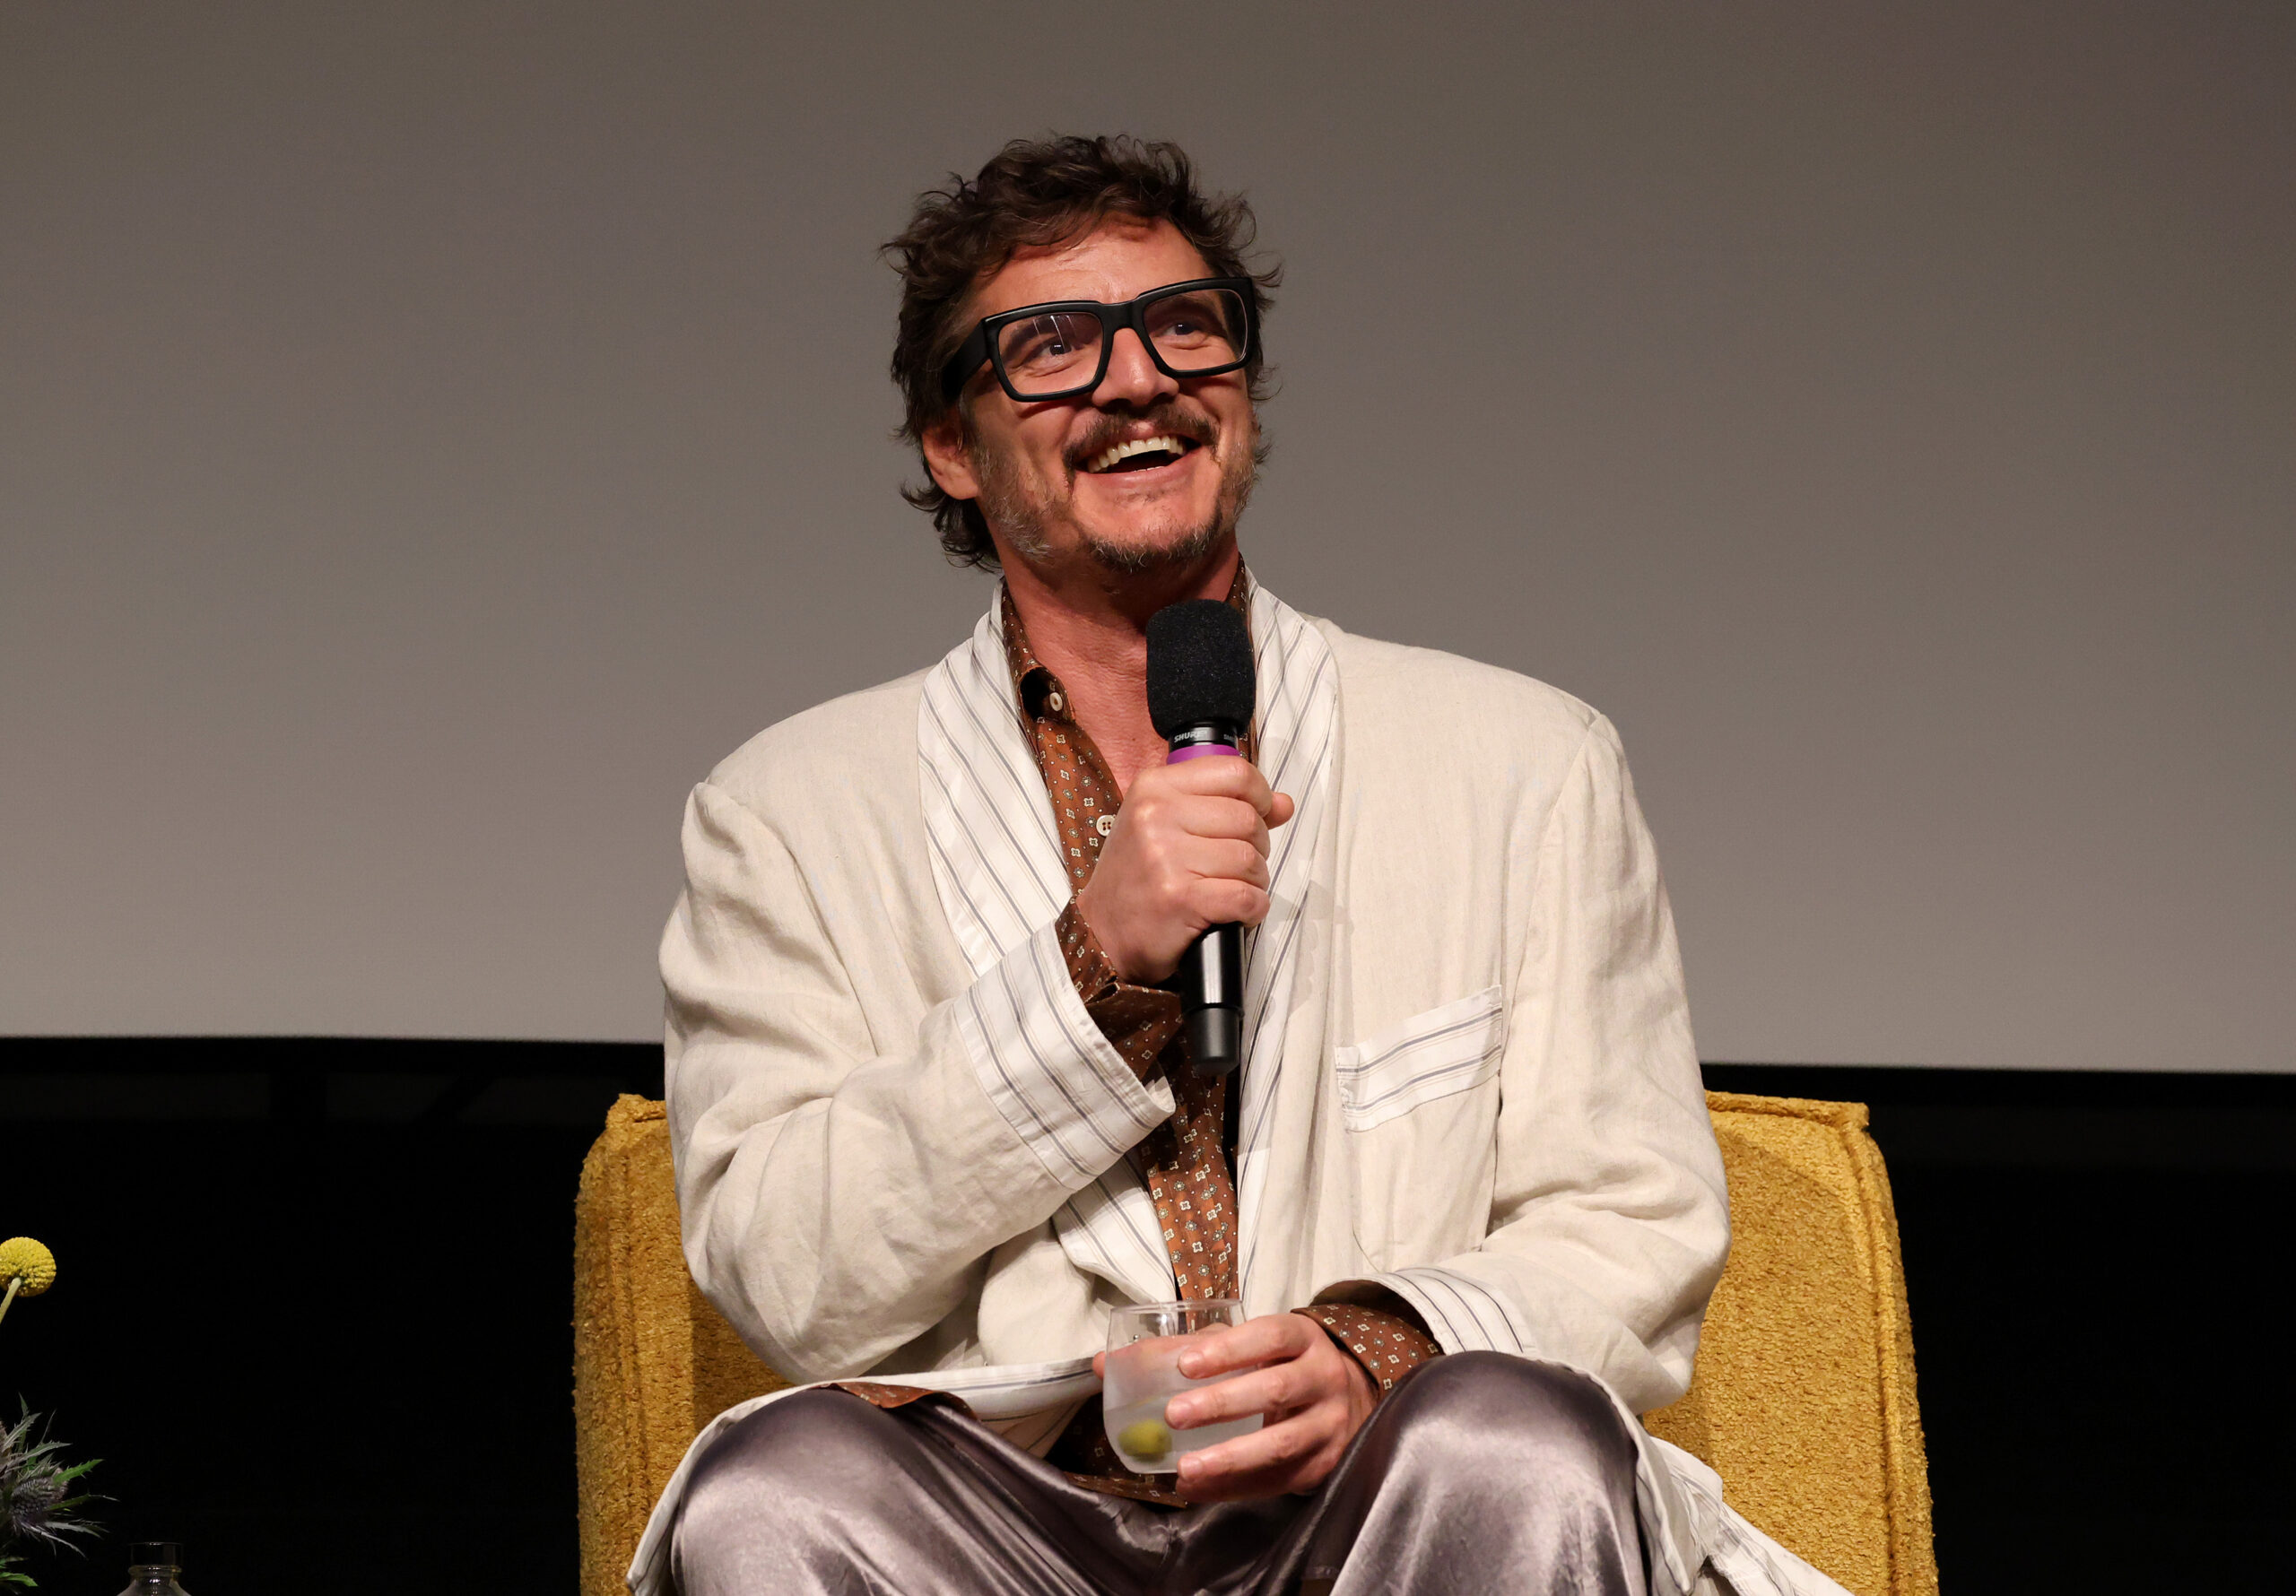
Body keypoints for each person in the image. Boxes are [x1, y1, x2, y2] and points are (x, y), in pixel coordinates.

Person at [639, 135, 1846, 1596]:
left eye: (1184, 327)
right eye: (1053, 348)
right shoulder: (783, 813)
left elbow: (1632, 1217)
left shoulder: (1527, 762)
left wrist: (1375, 1347)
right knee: (771, 1492)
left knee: (1514, 1444)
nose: (1137, 380)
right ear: (953, 446)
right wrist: (1087, 973)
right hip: (1011, 1520)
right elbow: (786, 1270)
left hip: (1389, 1494)